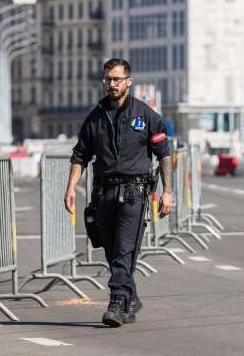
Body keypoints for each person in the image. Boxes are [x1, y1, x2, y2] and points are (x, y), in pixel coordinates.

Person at [64, 59, 173, 327]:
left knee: (124, 250)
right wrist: (69, 188)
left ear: (128, 81)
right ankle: (130, 299)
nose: (112, 84)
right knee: (113, 253)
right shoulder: (95, 117)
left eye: (117, 79)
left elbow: (164, 154)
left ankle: (115, 301)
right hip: (103, 195)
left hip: (134, 194)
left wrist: (168, 191)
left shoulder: (145, 115)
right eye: (108, 80)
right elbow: (80, 155)